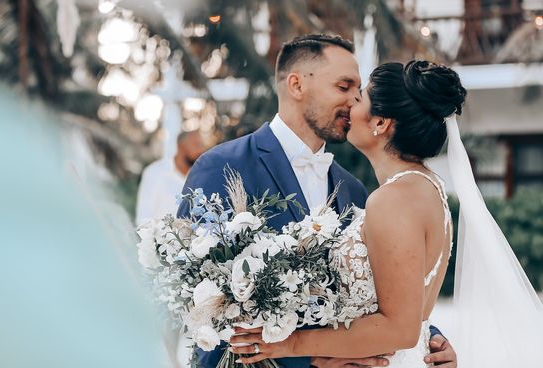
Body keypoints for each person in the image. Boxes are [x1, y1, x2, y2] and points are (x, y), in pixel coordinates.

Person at [177, 36, 457, 368]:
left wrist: (429, 339)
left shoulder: (353, 189)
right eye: (344, 86)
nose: (354, 99)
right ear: (297, 85)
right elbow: (194, 301)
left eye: (359, 90)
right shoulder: (222, 167)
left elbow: (379, 299)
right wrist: (316, 358)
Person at [136, 130, 206, 227]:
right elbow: (143, 219)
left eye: (202, 145)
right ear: (181, 146)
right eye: (196, 145)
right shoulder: (155, 172)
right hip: (159, 239)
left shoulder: (200, 177)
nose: (201, 150)